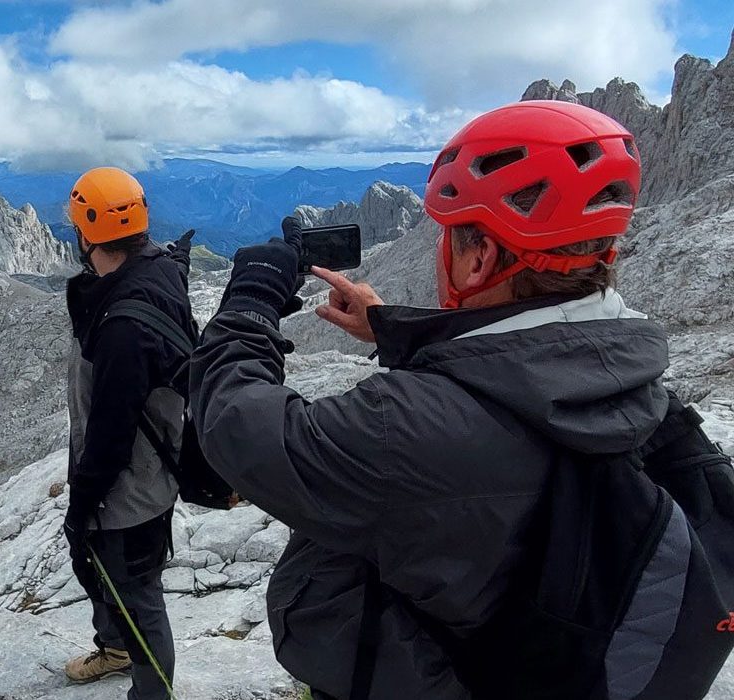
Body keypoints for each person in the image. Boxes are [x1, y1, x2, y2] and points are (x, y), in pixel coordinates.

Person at [188, 101, 724, 698]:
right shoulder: (628, 370)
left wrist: (249, 304)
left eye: (449, 233)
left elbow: (237, 426)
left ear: (479, 259)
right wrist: (392, 327)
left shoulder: (400, 428)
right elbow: (510, 372)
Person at [62, 166, 193, 699]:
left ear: (86, 234)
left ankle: (152, 690)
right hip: (146, 473)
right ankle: (114, 647)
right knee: (95, 564)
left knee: (138, 592)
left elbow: (113, 433)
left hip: (129, 490)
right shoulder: (154, 271)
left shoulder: (122, 329)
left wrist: (83, 497)